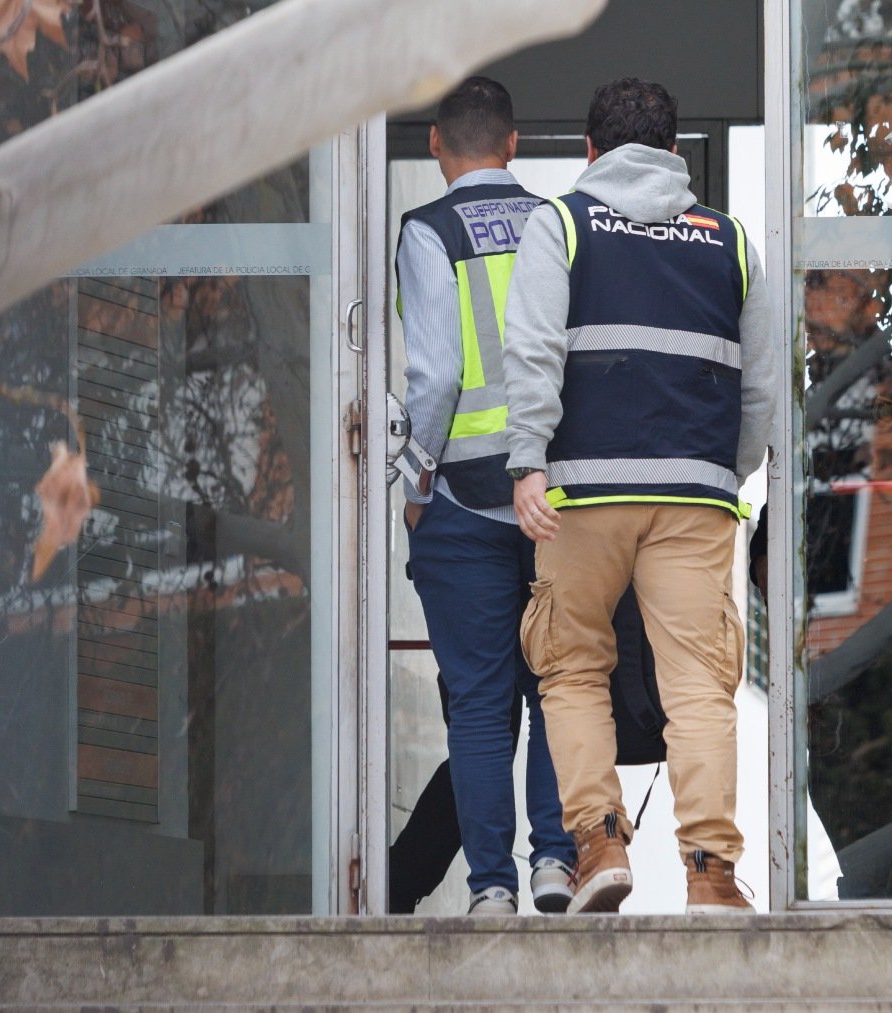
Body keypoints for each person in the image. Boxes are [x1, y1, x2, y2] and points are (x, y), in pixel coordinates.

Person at [502, 77, 776, 914]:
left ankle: (597, 846)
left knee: (573, 665)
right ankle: (712, 874)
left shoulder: (564, 223)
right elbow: (760, 388)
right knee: (698, 682)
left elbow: (535, 348)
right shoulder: (729, 242)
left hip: (581, 496)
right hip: (695, 496)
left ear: (591, 151)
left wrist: (528, 462)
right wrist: (723, 473)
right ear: (674, 150)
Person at [395, 76, 574, 916]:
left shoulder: (428, 232)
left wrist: (413, 482)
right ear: (514, 144)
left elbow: (433, 376)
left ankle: (491, 888)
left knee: (477, 704)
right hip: (554, 501)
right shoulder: (556, 222)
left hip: (463, 502)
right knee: (557, 689)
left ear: (435, 143)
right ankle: (556, 864)